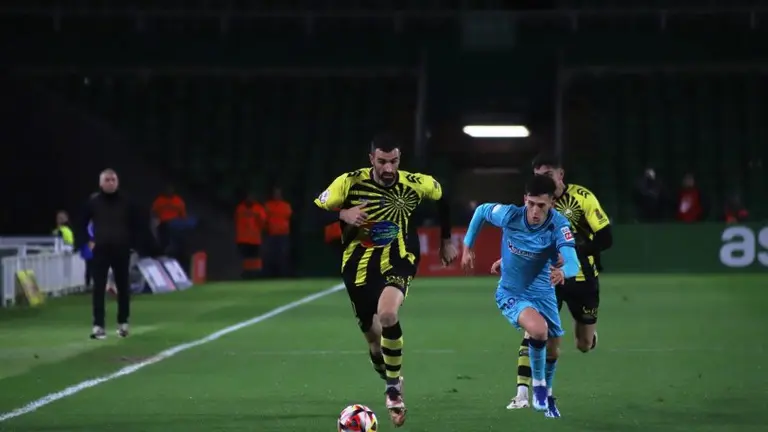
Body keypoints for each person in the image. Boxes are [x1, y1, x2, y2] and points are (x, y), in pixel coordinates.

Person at [313, 134, 457, 427]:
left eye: (394, 161)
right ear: (371, 160)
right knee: (374, 343)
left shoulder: (415, 183)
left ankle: (393, 391)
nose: (388, 168)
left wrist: (446, 240)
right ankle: (392, 376)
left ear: (399, 159)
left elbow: (443, 199)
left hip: (400, 257)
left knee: (388, 313)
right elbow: (312, 213)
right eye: (382, 162)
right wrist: (343, 213)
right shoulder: (349, 183)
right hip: (358, 266)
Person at [498, 153, 614, 409]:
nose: (543, 182)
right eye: (538, 177)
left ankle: (588, 338)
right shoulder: (534, 204)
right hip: (546, 279)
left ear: (561, 175)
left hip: (583, 279)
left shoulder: (582, 198)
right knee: (536, 333)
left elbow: (606, 238)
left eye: (548, 175)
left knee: (583, 344)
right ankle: (522, 393)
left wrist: (573, 251)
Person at [461, 174, 580, 417]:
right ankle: (537, 389)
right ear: (525, 199)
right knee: (538, 330)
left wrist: (563, 272)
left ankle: (546, 394)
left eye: (541, 206)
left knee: (553, 350)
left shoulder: (559, 225)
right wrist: (467, 246)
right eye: (531, 204)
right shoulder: (509, 215)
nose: (535, 211)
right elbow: (482, 211)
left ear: (552, 204)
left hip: (544, 293)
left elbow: (573, 262)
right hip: (511, 292)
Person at [77, 169, 153, 340]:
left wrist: (134, 244)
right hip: (100, 250)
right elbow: (81, 223)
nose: (111, 183)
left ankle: (123, 323)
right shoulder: (93, 202)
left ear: (117, 182)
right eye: (107, 180)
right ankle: (98, 325)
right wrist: (84, 243)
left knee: (123, 287)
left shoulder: (127, 202)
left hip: (121, 249)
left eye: (113, 179)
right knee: (98, 288)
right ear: (101, 183)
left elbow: (139, 223)